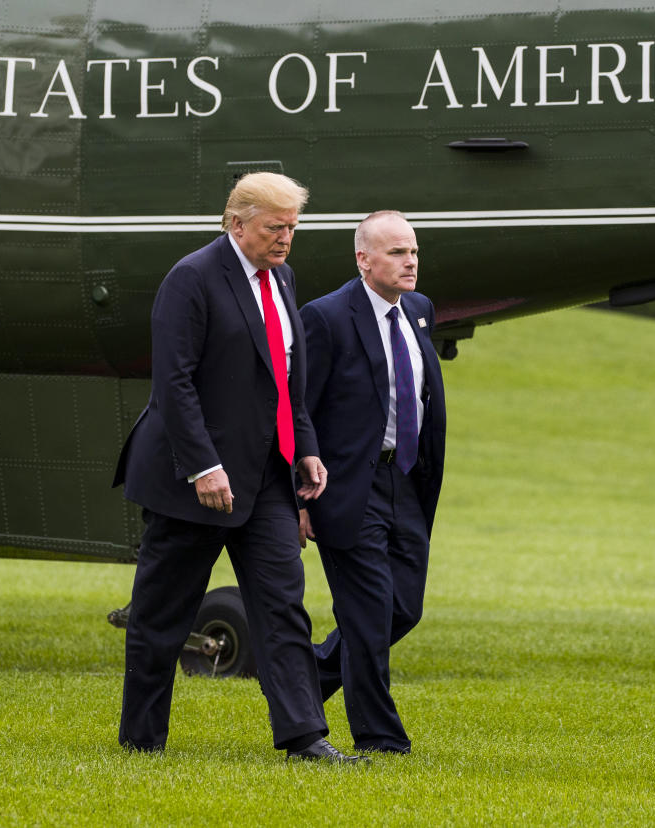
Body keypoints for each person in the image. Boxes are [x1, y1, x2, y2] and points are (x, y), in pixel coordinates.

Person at [113, 172, 365, 764]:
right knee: (162, 614)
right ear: (237, 223)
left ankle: (306, 738)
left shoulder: (283, 279)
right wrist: (203, 465)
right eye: (275, 227)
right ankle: (141, 739)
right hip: (191, 481)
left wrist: (305, 447)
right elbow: (173, 382)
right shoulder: (192, 278)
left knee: (283, 605)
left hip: (267, 478)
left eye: (293, 228)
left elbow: (286, 380)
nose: (286, 239)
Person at [297, 210, 447, 755]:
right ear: (363, 259)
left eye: (413, 252)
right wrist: (298, 498)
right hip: (344, 488)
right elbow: (300, 408)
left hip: (405, 482)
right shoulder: (326, 316)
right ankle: (381, 738)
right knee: (365, 615)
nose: (410, 263)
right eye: (396, 253)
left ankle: (304, 682)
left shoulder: (421, 311)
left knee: (403, 609)